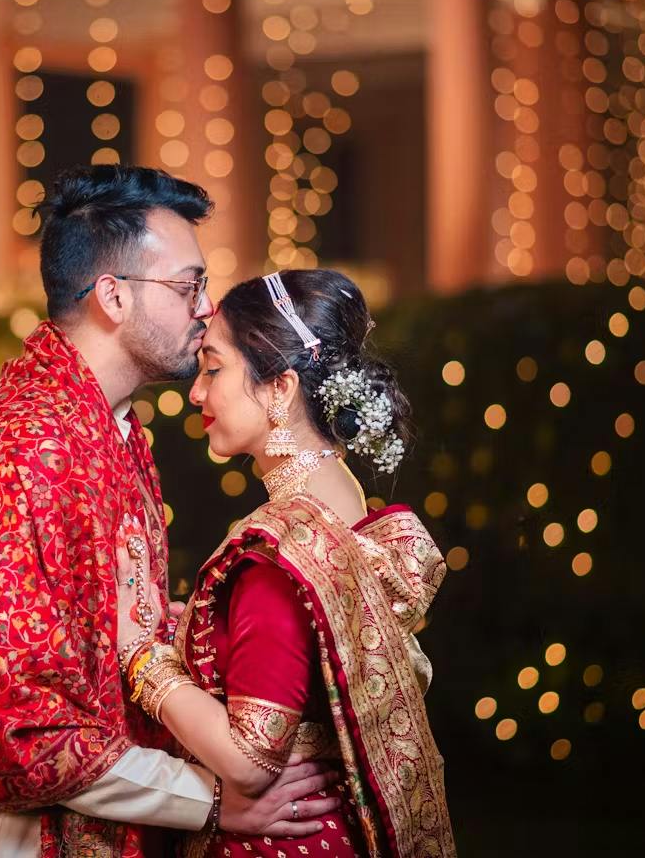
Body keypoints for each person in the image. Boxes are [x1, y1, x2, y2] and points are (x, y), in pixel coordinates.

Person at [0, 166, 342, 857]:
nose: (206, 308)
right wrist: (214, 799)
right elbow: (16, 723)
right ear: (113, 296)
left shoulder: (106, 427)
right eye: (187, 285)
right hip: (9, 835)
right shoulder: (26, 450)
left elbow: (112, 628)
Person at [114, 269, 457, 857]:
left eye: (214, 369)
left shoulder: (282, 557)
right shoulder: (346, 507)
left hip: (278, 840)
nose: (196, 393)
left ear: (280, 388)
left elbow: (250, 760)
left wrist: (140, 657)